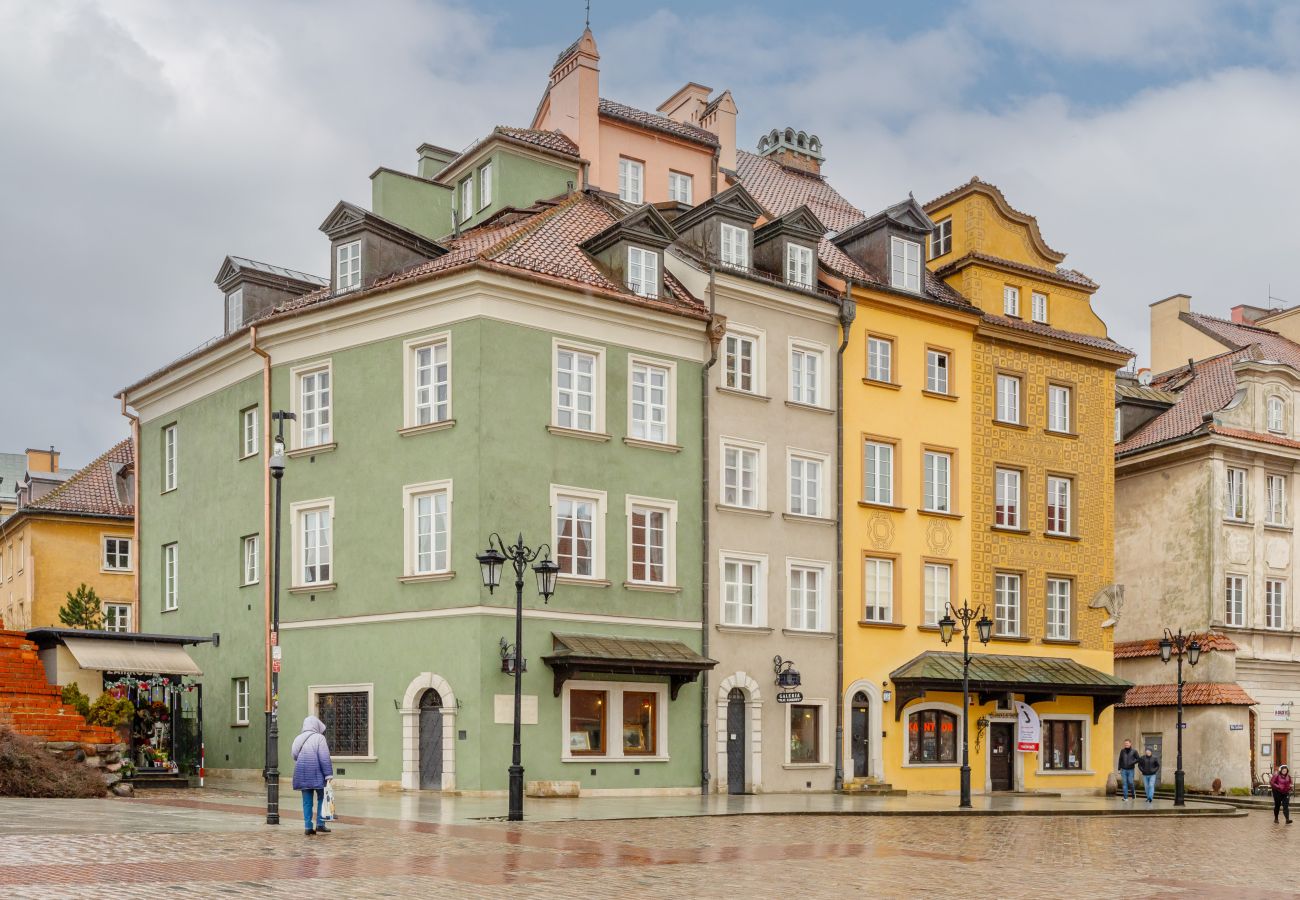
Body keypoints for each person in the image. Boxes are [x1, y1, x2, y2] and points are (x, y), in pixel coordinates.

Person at [291, 715, 334, 835]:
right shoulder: (320, 738)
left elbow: (294, 755)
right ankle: (320, 824)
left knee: (306, 801)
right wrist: (328, 774)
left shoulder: (298, 738)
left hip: (302, 773)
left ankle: (308, 826)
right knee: (322, 797)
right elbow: (324, 757)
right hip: (317, 773)